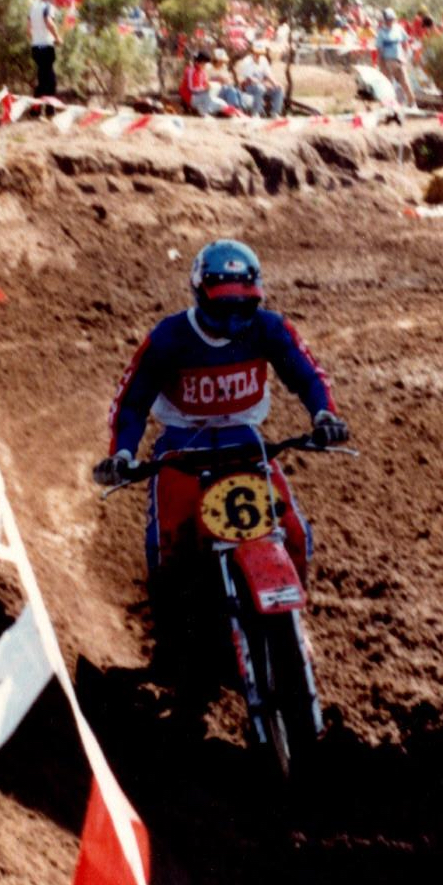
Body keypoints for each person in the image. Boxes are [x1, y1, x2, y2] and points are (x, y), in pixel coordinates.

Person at [92, 239, 348, 642]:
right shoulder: (169, 337)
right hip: (180, 446)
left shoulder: (269, 328)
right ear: (198, 296)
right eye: (220, 309)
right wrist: (122, 453)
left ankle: (290, 625)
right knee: (167, 545)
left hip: (245, 440)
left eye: (242, 309)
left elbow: (306, 374)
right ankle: (171, 642)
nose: (232, 323)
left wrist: (323, 414)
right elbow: (132, 401)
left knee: (294, 533)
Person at [375, 7, 416, 108]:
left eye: (391, 19)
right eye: (388, 19)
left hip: (399, 60)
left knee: (405, 82)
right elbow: (380, 50)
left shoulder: (399, 29)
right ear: (384, 20)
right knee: (386, 85)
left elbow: (405, 43)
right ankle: (387, 106)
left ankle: (412, 103)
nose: (390, 21)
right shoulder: (381, 32)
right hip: (386, 61)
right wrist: (380, 64)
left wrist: (406, 57)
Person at [237, 39, 284, 117]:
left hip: (262, 84)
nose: (258, 55)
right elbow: (250, 79)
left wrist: (274, 83)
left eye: (260, 53)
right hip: (249, 86)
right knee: (260, 88)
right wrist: (264, 84)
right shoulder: (247, 61)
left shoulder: (263, 60)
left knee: (278, 88)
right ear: (252, 51)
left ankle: (275, 112)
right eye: (256, 52)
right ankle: (256, 112)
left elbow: (268, 74)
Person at [29, 0, 60, 101]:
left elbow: (28, 28)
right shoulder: (48, 6)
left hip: (36, 46)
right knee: (50, 81)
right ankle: (49, 109)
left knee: (42, 78)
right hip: (46, 46)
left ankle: (35, 109)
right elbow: (49, 22)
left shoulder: (33, 7)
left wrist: (36, 38)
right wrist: (57, 37)